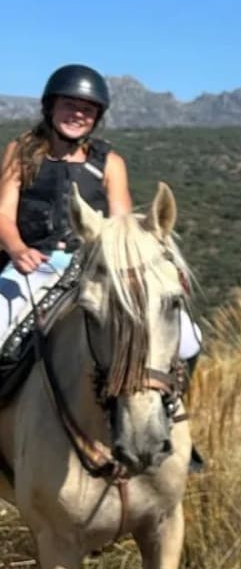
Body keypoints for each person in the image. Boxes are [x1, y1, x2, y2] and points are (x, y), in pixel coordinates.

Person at [0, 65, 201, 363]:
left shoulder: (110, 163)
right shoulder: (22, 151)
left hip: (91, 268)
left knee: (187, 339)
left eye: (88, 109)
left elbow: (122, 225)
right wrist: (17, 250)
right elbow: (3, 213)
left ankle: (171, 405)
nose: (78, 114)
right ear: (50, 106)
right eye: (69, 104)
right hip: (31, 264)